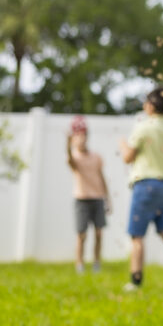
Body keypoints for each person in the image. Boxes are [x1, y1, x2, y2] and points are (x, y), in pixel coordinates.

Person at [118, 86, 163, 291]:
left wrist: (122, 145)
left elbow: (128, 157)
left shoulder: (144, 127)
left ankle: (135, 280)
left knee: (137, 236)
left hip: (145, 184)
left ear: (150, 105)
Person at [66, 115, 111, 274]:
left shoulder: (96, 157)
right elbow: (70, 161)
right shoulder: (75, 157)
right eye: (78, 136)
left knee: (99, 233)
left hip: (97, 198)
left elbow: (102, 178)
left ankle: (96, 263)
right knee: (82, 235)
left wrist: (108, 200)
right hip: (81, 200)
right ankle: (80, 264)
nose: (82, 139)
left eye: (84, 135)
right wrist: (67, 142)